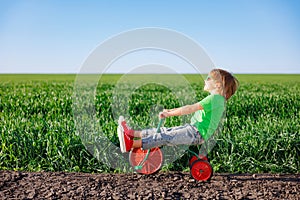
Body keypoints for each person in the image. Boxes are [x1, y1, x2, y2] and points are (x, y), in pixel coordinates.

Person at [117, 68, 239, 153]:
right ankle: (132, 134)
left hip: (196, 133)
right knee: (165, 131)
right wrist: (169, 110)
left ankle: (131, 144)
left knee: (165, 136)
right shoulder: (217, 99)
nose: (205, 80)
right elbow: (191, 107)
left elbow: (190, 108)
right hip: (194, 130)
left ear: (218, 85)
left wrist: (169, 114)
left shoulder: (215, 99)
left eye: (208, 78)